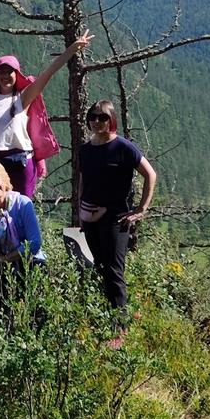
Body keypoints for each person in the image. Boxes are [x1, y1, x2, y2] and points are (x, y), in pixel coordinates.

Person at [0, 30, 93, 214]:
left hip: (23, 162)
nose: (5, 76)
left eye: (10, 72)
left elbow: (48, 73)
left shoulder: (23, 98)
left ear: (16, 74)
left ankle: (26, 243)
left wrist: (71, 50)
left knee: (22, 210)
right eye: (1, 72)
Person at [77, 99, 157, 324]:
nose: (96, 121)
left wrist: (141, 209)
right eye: (92, 117)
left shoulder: (123, 147)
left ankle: (120, 327)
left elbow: (150, 174)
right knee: (100, 266)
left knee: (114, 270)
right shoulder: (85, 150)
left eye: (102, 117)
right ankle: (109, 316)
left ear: (112, 119)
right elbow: (83, 181)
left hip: (116, 218)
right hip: (89, 217)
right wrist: (80, 212)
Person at [0, 160, 44, 321]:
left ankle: (29, 318)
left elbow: (35, 243)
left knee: (25, 268)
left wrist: (6, 258)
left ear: (5, 182)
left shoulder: (23, 204)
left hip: (25, 258)